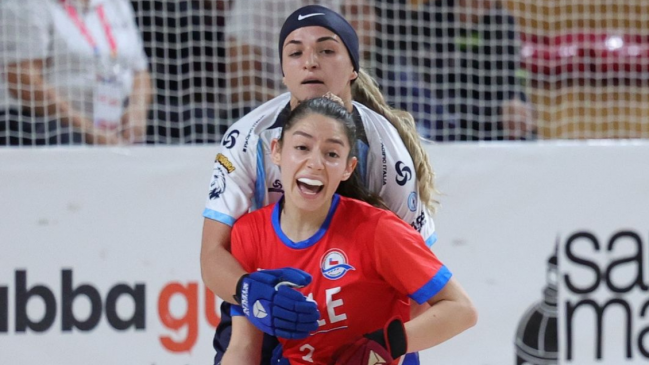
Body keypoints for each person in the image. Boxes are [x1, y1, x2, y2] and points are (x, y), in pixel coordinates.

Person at [201, 5, 438, 364]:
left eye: (326, 50)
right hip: (271, 293)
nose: (310, 61)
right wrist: (249, 292)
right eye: (295, 52)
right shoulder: (247, 137)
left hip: (357, 303)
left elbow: (422, 282)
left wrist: (387, 349)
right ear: (282, 71)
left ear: (354, 68)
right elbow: (212, 255)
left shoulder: (387, 150)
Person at [221, 97, 477, 365]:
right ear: (276, 151)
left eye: (331, 154)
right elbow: (242, 348)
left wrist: (384, 345)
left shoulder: (378, 230)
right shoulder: (248, 234)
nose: (315, 163)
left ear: (348, 167)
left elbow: (461, 309)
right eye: (302, 147)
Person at [0, 0, 151, 145]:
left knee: (168, 121)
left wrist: (137, 111)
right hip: (51, 120)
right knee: (65, 139)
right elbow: (23, 79)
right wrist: (87, 128)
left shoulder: (116, 4)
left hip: (114, 114)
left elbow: (140, 72)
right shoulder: (27, 5)